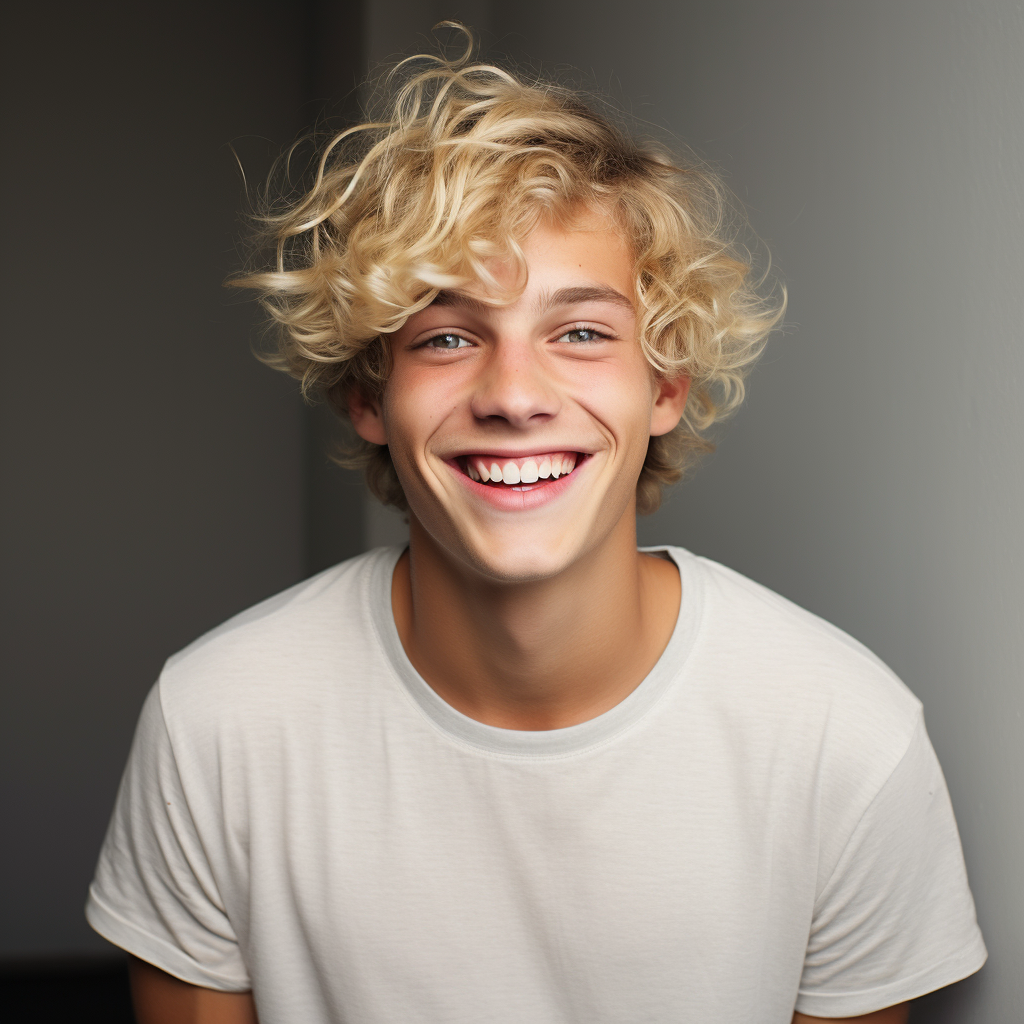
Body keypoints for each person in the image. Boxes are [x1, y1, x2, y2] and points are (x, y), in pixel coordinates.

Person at [86, 28, 986, 1024]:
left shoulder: (844, 737)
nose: (514, 393)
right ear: (368, 398)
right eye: (447, 335)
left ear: (666, 387)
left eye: (582, 332)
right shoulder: (216, 722)